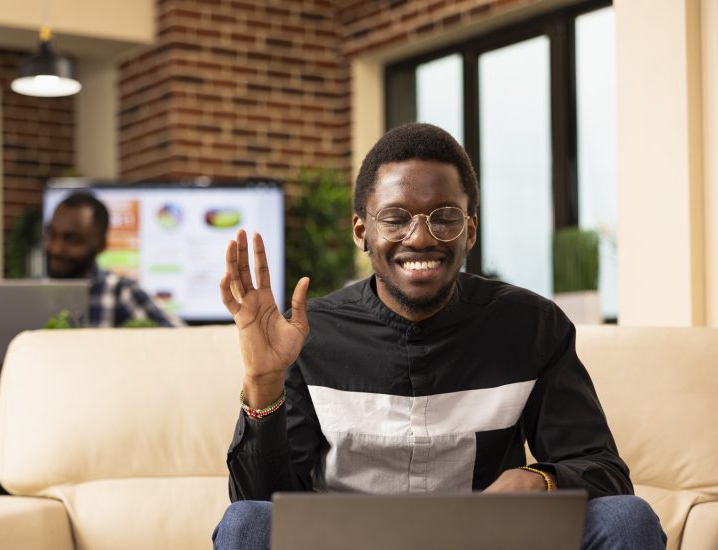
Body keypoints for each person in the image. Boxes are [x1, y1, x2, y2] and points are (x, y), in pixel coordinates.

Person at [211, 123, 667, 550]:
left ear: (470, 231)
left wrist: (540, 480)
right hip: (350, 542)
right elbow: (262, 503)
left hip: (486, 541)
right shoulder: (309, 336)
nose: (421, 238)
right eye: (395, 218)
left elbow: (603, 469)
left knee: (626, 518)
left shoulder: (531, 326)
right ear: (362, 231)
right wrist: (263, 382)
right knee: (246, 522)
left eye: (445, 218)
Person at [0, 191, 182, 502]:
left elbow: (182, 345)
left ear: (100, 244)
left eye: (71, 239)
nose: (56, 248)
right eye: (51, 235)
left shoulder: (120, 293)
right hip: (6, 416)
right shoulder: (25, 294)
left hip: (66, 426)